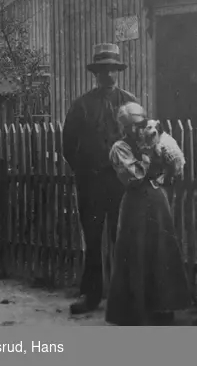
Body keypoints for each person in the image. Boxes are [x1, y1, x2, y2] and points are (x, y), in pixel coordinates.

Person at [61, 43, 139, 316]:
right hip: (91, 183)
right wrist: (86, 169)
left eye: (113, 70)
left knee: (123, 237)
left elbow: (141, 141)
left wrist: (128, 171)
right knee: (92, 240)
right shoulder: (82, 105)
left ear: (118, 72)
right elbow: (68, 146)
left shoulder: (130, 103)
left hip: (121, 183)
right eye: (103, 70)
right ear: (96, 73)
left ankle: (124, 295)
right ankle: (90, 294)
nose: (108, 75)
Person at [105, 103, 193, 326]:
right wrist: (146, 154)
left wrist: (167, 165)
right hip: (135, 203)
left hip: (157, 199)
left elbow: (174, 168)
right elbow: (133, 177)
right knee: (135, 251)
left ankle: (163, 308)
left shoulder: (160, 140)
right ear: (124, 128)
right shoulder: (120, 147)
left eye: (141, 124)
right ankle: (134, 311)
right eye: (132, 126)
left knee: (161, 249)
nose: (138, 130)